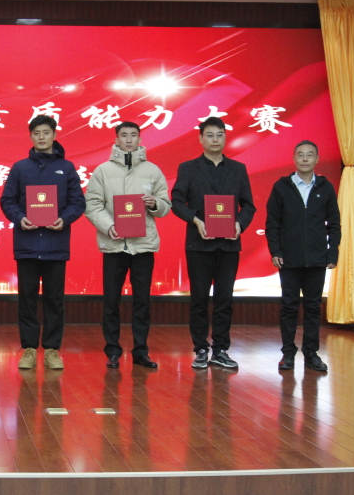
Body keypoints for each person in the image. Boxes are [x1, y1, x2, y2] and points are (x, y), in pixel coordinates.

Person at [0, 115, 86, 370]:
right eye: (36, 133)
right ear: (30, 136)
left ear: (54, 135)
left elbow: (78, 202)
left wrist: (63, 219)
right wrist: (20, 218)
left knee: (54, 300)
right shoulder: (20, 168)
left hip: (55, 245)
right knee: (26, 299)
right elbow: (7, 200)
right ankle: (28, 348)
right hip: (26, 245)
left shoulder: (66, 168)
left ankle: (51, 349)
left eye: (46, 132)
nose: (41, 137)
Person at [171, 116, 256, 369]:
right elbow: (177, 202)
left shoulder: (238, 169)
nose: (215, 139)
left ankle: (220, 349)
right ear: (201, 138)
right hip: (199, 244)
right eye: (210, 135)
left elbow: (248, 205)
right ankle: (200, 349)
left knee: (224, 299)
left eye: (219, 134)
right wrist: (195, 220)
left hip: (229, 245)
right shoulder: (188, 168)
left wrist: (239, 224)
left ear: (225, 137)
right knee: (199, 299)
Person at [85, 122, 171, 370]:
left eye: (134, 135)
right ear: (117, 139)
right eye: (124, 135)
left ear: (140, 139)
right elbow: (92, 204)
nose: (129, 139)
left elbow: (166, 205)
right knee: (111, 301)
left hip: (143, 246)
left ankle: (141, 351)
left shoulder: (152, 170)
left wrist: (155, 204)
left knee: (142, 301)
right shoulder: (102, 171)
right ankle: (113, 350)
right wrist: (108, 226)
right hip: (114, 245)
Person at [266, 140, 340, 372]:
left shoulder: (325, 187)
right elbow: (272, 223)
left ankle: (311, 353)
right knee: (289, 306)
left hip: (317, 258)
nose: (305, 159)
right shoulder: (281, 187)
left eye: (310, 155)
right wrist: (275, 251)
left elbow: (334, 224)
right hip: (288, 258)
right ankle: (288, 354)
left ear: (317, 159)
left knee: (313, 307)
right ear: (294, 159)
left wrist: (332, 252)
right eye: (300, 155)